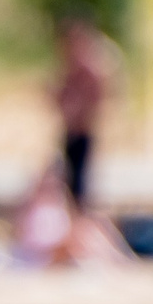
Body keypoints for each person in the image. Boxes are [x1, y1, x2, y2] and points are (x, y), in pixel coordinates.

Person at [52, 17, 119, 211]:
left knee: (81, 180)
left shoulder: (91, 68)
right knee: (68, 176)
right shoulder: (72, 65)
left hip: (83, 129)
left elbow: (98, 99)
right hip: (71, 128)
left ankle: (80, 216)